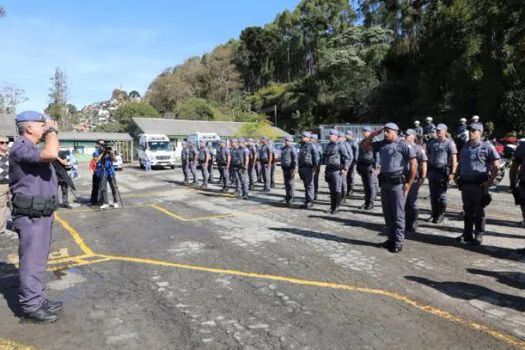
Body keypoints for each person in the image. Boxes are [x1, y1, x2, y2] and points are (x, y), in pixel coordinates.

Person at [10, 111, 62, 322]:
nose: (45, 127)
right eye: (42, 124)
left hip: (40, 214)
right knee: (32, 260)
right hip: (31, 216)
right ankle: (31, 307)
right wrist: (52, 131)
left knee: (38, 260)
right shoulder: (21, 146)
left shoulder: (30, 148)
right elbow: (50, 154)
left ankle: (38, 299)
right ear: (29, 128)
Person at [364, 123, 417, 253]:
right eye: (384, 131)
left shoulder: (403, 145)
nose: (385, 133)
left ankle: (398, 242)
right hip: (385, 183)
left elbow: (414, 163)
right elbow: (365, 146)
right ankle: (390, 239)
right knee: (388, 214)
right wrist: (372, 135)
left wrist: (409, 183)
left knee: (398, 215)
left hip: (398, 184)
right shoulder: (382, 144)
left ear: (395, 132)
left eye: (388, 131)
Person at [455, 122, 500, 245]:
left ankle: (479, 235)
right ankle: (467, 234)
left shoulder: (487, 146)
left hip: (479, 184)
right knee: (467, 210)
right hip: (465, 183)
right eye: (470, 130)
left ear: (480, 132)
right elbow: (460, 162)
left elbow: (496, 165)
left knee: (478, 210)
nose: (471, 132)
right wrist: (455, 176)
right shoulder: (465, 146)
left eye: (474, 130)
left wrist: (489, 183)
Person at [426, 123, 458, 223]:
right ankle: (434, 214)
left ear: (445, 131)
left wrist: (452, 173)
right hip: (432, 171)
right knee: (433, 194)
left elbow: (454, 158)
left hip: (443, 171)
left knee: (442, 195)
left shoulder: (449, 143)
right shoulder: (432, 142)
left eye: (440, 130)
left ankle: (441, 214)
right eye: (437, 130)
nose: (438, 132)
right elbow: (428, 156)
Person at [403, 129, 428, 235]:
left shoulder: (418, 148)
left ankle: (413, 223)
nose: (406, 137)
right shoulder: (402, 147)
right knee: (404, 201)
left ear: (413, 136)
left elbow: (424, 162)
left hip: (414, 178)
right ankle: (405, 222)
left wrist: (423, 176)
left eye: (408, 135)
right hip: (403, 177)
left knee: (412, 201)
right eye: (405, 135)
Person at [324, 129, 350, 214]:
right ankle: (332, 206)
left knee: (337, 189)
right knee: (331, 189)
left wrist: (345, 168)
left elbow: (347, 158)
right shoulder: (328, 145)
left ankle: (336, 207)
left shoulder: (340, 145)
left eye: (331, 135)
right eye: (329, 134)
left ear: (336, 136)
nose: (330, 136)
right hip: (329, 169)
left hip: (337, 170)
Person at [357, 126, 379, 210]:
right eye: (363, 131)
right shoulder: (363, 141)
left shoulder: (373, 141)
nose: (363, 132)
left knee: (371, 185)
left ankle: (371, 202)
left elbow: (377, 154)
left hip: (370, 166)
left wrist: (376, 166)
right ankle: (366, 202)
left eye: (365, 131)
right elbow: (360, 154)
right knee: (366, 186)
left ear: (370, 132)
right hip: (363, 166)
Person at [93, 141, 119, 209]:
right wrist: (103, 153)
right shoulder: (96, 152)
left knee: (113, 187)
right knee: (103, 187)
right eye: (100, 145)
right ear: (98, 145)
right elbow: (96, 160)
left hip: (110, 171)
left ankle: (115, 202)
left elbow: (115, 160)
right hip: (103, 171)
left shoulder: (109, 151)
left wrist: (111, 153)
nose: (101, 146)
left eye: (103, 145)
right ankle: (106, 202)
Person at [298, 131, 320, 209]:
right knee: (306, 185)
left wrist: (315, 166)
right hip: (303, 168)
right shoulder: (302, 145)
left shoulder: (311, 145)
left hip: (309, 167)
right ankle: (307, 200)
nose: (301, 138)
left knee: (310, 185)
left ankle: (310, 201)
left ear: (307, 137)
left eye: (303, 136)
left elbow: (316, 156)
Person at [280, 135, 297, 205]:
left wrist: (294, 168)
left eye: (286, 141)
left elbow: (295, 159)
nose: (285, 142)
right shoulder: (284, 148)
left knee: (291, 183)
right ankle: (287, 196)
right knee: (286, 183)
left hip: (290, 168)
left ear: (290, 141)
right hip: (285, 168)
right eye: (285, 140)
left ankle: (292, 197)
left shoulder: (292, 149)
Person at [0, 135, 10, 234]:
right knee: (1, 207)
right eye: (2, 142)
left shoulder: (10, 155)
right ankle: (1, 228)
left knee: (16, 205)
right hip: (1, 186)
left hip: (13, 184)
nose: (5, 144)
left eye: (6, 142)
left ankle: (18, 226)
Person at [345, 131, 358, 197]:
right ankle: (347, 188)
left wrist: (355, 160)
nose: (346, 135)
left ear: (351, 135)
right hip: (346, 161)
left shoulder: (353, 143)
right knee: (346, 175)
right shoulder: (345, 142)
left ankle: (351, 189)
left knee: (351, 176)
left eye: (347, 134)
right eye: (346, 134)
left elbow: (356, 152)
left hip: (352, 162)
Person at [310, 134, 323, 200]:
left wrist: (317, 166)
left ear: (315, 139)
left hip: (316, 166)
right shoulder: (309, 145)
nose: (311, 139)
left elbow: (320, 157)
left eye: (312, 138)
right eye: (310, 138)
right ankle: (311, 194)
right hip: (310, 166)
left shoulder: (318, 146)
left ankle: (315, 194)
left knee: (315, 180)